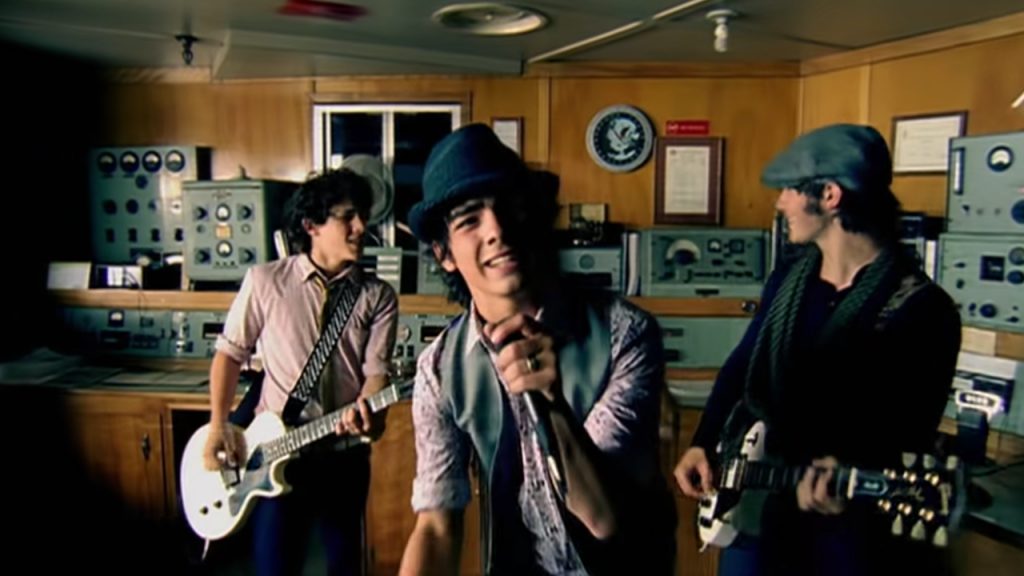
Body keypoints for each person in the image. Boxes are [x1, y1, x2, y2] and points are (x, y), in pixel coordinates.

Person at [673, 124, 962, 575]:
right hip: (756, 509)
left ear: (829, 195)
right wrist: (703, 441)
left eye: (789, 189)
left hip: (845, 531)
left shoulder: (924, 309)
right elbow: (743, 364)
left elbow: (909, 425)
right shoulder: (787, 280)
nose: (780, 203)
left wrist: (851, 465)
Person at [398, 124, 677, 576]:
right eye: (469, 220)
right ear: (444, 254)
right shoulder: (440, 369)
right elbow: (436, 524)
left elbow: (601, 518)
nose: (497, 229)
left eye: (510, 207)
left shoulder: (624, 333)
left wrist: (551, 403)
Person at [202, 168, 399, 576]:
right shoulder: (265, 282)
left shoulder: (378, 296)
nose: (361, 227)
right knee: (275, 567)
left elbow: (376, 373)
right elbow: (229, 355)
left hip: (343, 459)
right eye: (348, 217)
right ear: (312, 226)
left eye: (363, 216)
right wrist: (218, 425)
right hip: (275, 454)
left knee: (344, 566)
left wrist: (369, 411)